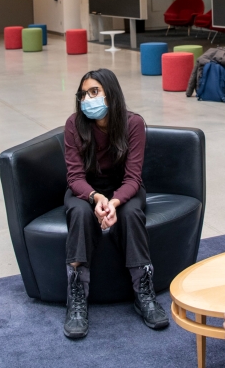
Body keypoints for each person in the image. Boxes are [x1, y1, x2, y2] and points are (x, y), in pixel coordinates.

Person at [63, 68, 169, 339]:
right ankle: (77, 298)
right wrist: (96, 198)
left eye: (94, 92)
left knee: (132, 214)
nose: (88, 99)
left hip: (125, 189)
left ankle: (143, 292)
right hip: (85, 191)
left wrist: (115, 201)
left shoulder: (133, 124)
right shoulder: (74, 124)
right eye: (83, 93)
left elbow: (133, 176)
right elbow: (74, 176)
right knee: (79, 213)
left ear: (111, 94)